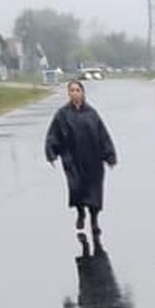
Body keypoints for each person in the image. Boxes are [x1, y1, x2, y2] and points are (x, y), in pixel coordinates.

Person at [44, 77, 117, 241]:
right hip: (73, 159)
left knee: (94, 191)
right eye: (72, 90)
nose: (75, 93)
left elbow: (102, 135)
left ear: (83, 93)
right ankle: (80, 213)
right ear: (68, 93)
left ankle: (94, 220)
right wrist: (51, 152)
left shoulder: (91, 113)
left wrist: (109, 154)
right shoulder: (62, 114)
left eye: (78, 90)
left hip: (93, 159)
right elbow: (53, 135)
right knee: (76, 188)